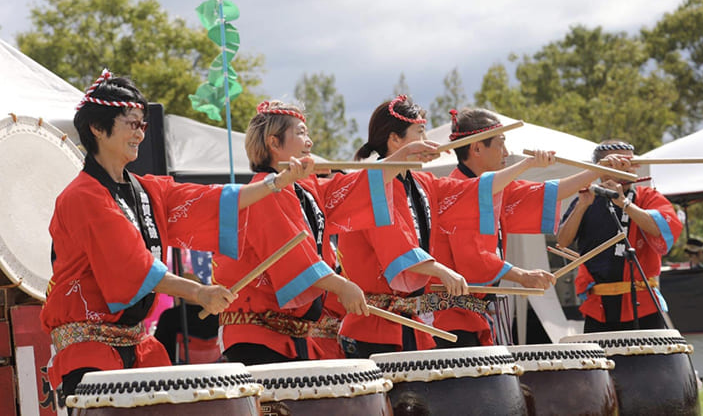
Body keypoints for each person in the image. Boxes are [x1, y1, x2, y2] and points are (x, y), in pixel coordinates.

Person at [41, 70, 307, 407]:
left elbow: (212, 200)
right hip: (89, 351)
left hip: (136, 345)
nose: (140, 132)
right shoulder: (82, 196)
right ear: (97, 128)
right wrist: (199, 292)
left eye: (143, 124)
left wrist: (274, 183)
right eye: (132, 123)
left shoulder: (147, 190)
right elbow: (131, 265)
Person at [337, 95, 563, 357]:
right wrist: (442, 271)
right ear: (395, 140)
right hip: (374, 326)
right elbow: (395, 246)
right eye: (420, 132)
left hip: (408, 321)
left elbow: (474, 190)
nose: (426, 141)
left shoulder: (423, 183)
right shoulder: (371, 186)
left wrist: (528, 164)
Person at [212, 100, 430, 365]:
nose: (310, 142)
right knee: (271, 408)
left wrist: (400, 158)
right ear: (274, 142)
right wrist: (343, 286)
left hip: (291, 335)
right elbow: (292, 257)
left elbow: (351, 188)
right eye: (301, 133)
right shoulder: (264, 192)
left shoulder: (305, 189)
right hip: (255, 335)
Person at [432, 108, 630, 347]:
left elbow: (551, 192)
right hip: (449, 317)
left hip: (481, 311)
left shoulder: (495, 188)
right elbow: (473, 257)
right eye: (500, 144)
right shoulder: (455, 192)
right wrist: (522, 275)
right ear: (476, 149)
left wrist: (600, 169)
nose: (506, 153)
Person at [556, 140, 683, 333]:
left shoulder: (647, 197)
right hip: (599, 304)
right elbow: (563, 241)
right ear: (600, 168)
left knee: (648, 360)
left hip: (642, 301)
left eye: (631, 163)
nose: (629, 168)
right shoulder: (587, 198)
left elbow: (662, 229)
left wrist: (624, 203)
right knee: (600, 362)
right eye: (619, 163)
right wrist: (582, 206)